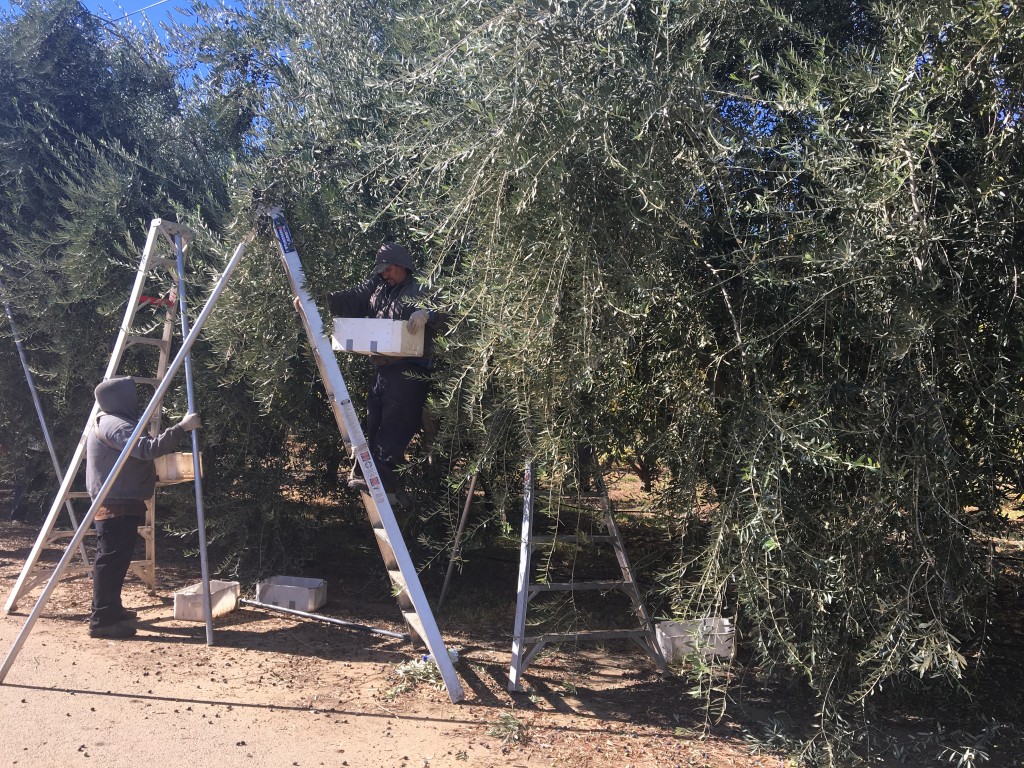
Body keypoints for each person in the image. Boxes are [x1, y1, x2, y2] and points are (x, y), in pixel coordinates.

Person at [85, 376, 200, 639]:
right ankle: (102, 619)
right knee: (111, 562)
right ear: (120, 398)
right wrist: (182, 428)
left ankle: (112, 610)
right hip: (116, 506)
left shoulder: (114, 422)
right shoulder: (115, 424)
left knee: (116, 561)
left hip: (121, 504)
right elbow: (146, 449)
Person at [326, 242, 438, 496]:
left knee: (396, 425)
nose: (383, 274)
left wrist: (428, 314)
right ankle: (370, 476)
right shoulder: (379, 287)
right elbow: (353, 299)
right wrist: (316, 297)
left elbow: (452, 312)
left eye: (387, 269)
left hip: (411, 371)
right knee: (374, 424)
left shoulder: (420, 287)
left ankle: (382, 478)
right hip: (383, 369)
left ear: (401, 266)